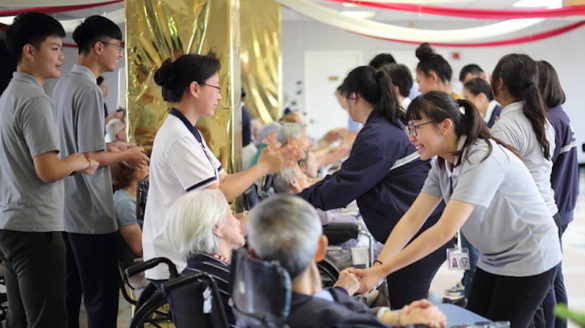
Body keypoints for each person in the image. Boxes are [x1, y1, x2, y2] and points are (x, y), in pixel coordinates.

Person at [352, 91, 561, 327]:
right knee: (479, 323)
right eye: (409, 129)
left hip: (530, 255)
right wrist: (378, 267)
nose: (411, 137)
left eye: (416, 128)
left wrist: (382, 272)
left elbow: (444, 231)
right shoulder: (443, 163)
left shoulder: (481, 157)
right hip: (493, 257)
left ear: (445, 126)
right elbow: (413, 218)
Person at [298, 66, 450, 309]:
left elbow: (343, 186)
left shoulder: (378, 135)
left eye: (346, 100)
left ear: (354, 96)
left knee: (408, 307)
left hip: (419, 232)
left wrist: (294, 202)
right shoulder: (383, 127)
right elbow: (347, 177)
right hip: (414, 227)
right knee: (408, 305)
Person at [144, 54, 302, 280]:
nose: (219, 95)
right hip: (176, 256)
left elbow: (224, 180)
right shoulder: (178, 137)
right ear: (195, 89)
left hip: (186, 248)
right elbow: (215, 196)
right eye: (216, 87)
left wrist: (264, 163)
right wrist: (263, 167)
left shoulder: (188, 131)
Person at [0, 12, 98, 328]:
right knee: (47, 321)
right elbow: (47, 170)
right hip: (35, 228)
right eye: (54, 48)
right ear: (29, 51)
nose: (61, 56)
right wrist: (80, 160)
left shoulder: (8, 95)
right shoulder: (34, 99)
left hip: (11, 222)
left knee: (19, 320)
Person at [52, 15, 149, 328]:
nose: (119, 54)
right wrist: (131, 153)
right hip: (89, 208)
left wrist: (115, 150)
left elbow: (78, 147)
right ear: (97, 47)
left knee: (71, 292)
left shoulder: (64, 83)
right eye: (117, 47)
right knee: (102, 298)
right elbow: (90, 155)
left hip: (65, 206)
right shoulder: (88, 89)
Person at [247, 195, 447, 328]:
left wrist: (394, 317)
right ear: (320, 249)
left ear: (253, 253)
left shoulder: (251, 304)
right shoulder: (332, 318)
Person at [164, 189, 246, 327]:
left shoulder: (191, 271)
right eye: (231, 214)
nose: (238, 221)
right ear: (216, 227)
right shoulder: (233, 277)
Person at [537, 60, 577, 328]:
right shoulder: (559, 114)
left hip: (555, 206)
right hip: (563, 204)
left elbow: (541, 169)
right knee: (555, 274)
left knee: (549, 276)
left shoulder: (550, 119)